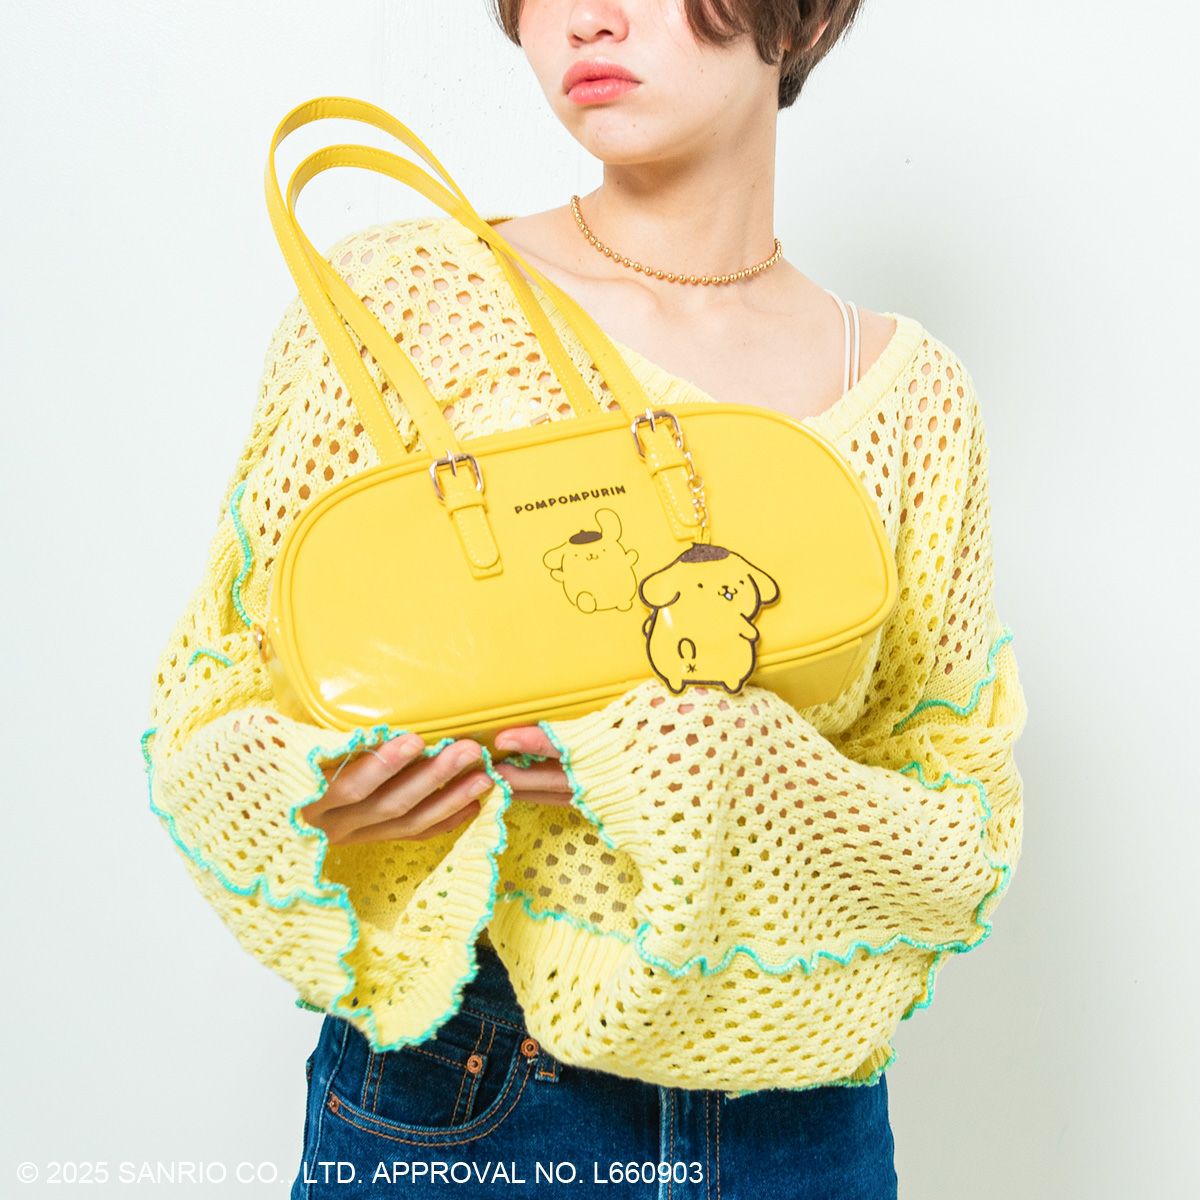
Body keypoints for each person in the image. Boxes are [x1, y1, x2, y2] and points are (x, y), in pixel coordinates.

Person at [143, 3, 1027, 1197]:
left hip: (803, 1126)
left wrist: (718, 761)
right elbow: (209, 699)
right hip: (466, 1094)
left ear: (805, 17)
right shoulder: (408, 302)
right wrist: (312, 791)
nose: (589, 21)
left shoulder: (908, 397)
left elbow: (962, 822)